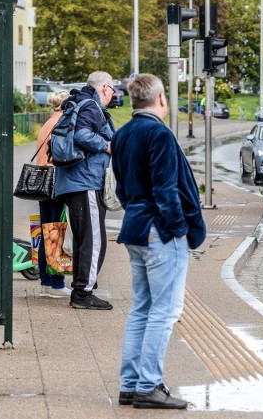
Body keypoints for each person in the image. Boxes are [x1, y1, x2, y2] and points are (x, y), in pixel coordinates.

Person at [112, 74, 206, 409]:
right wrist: (179, 229)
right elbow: (168, 191)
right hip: (160, 231)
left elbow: (121, 188)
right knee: (164, 311)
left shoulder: (122, 134)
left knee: (141, 307)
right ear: (161, 99)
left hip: (135, 227)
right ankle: (149, 385)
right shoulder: (160, 135)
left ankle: (131, 383)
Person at [54, 71, 116, 310]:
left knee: (84, 240)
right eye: (112, 89)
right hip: (85, 182)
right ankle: (83, 293)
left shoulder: (79, 102)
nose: (113, 94)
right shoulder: (90, 106)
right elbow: (82, 135)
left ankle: (80, 290)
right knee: (94, 240)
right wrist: (107, 145)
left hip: (76, 182)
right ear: (104, 88)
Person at [36, 90, 71, 299]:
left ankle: (46, 281)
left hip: (42, 182)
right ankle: (57, 282)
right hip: (55, 182)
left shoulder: (48, 122)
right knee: (57, 232)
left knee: (46, 232)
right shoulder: (60, 125)